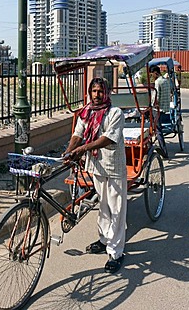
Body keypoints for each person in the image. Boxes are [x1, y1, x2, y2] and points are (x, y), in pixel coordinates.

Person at [63, 77, 127, 274]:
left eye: (100, 91)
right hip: (97, 166)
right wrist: (68, 152)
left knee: (116, 209)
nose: (97, 95)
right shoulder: (86, 112)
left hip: (114, 167)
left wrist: (82, 148)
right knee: (103, 206)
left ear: (106, 93)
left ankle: (116, 252)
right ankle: (103, 239)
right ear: (89, 93)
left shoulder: (115, 113)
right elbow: (78, 133)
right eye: (94, 91)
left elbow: (107, 138)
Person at [149, 65, 170, 159]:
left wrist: (150, 105)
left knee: (158, 130)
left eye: (152, 74)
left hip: (158, 109)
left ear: (156, 73)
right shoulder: (166, 81)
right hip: (165, 108)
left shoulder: (158, 82)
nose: (152, 76)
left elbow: (156, 98)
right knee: (158, 129)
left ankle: (164, 152)